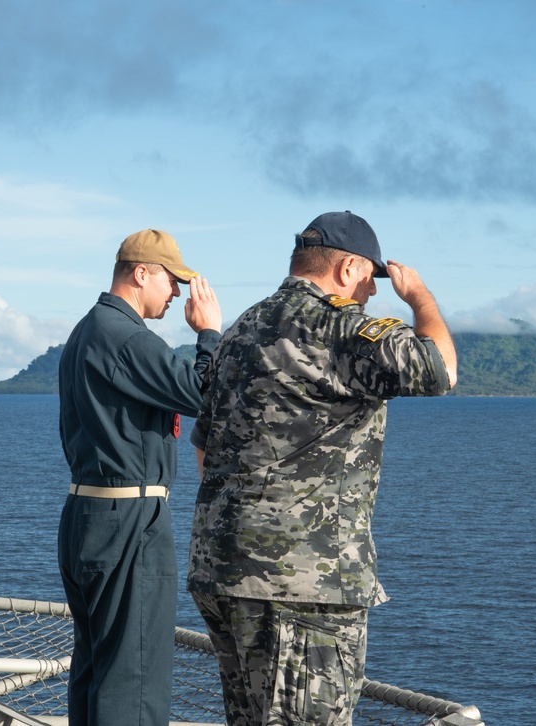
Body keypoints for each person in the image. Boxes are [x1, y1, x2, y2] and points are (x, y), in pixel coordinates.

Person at [187, 211, 457, 725]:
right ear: (349, 267)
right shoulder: (341, 327)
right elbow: (440, 369)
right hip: (304, 586)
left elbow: (205, 445)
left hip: (221, 569)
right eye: (372, 280)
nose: (373, 293)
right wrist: (420, 297)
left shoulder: (240, 331)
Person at [58, 228, 222, 726]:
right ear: (141, 273)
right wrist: (209, 334)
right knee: (135, 674)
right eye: (172, 281)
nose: (176, 293)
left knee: (95, 669)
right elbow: (205, 394)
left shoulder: (86, 331)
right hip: (131, 518)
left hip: (87, 512)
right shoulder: (126, 336)